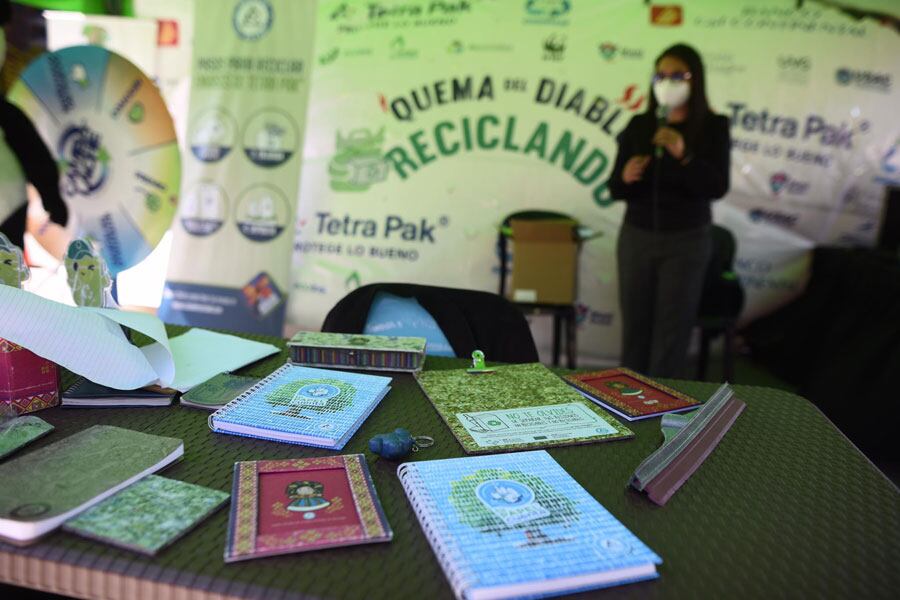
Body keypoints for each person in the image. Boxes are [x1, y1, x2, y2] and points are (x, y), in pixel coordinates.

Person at [608, 43, 730, 378]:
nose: (667, 82)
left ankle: (663, 402)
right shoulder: (639, 125)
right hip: (637, 237)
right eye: (660, 75)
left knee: (672, 333)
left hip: (686, 241)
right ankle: (629, 398)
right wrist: (625, 176)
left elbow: (717, 186)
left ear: (695, 79)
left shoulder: (713, 126)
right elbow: (615, 188)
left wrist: (684, 156)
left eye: (677, 75)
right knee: (635, 328)